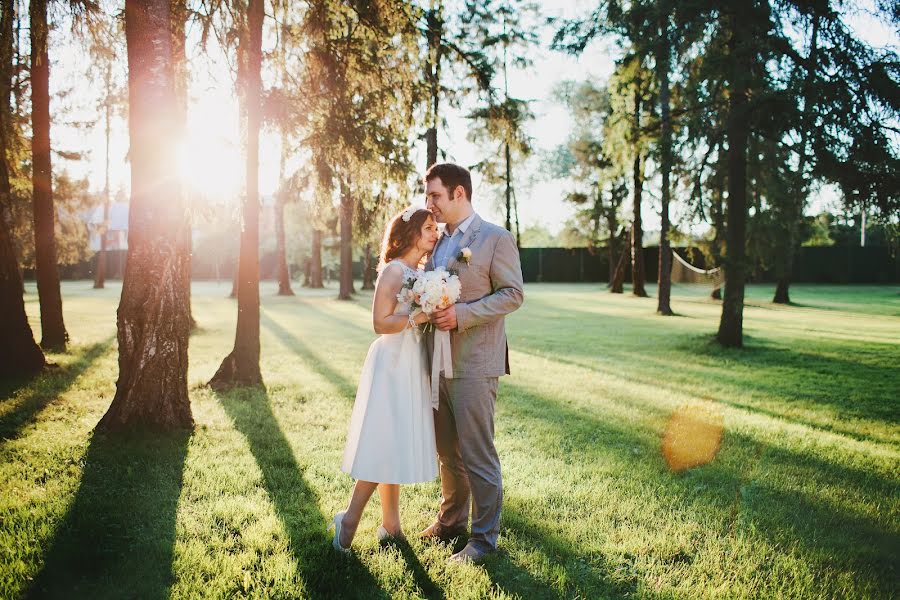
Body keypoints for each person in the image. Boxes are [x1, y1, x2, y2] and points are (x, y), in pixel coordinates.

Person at [421, 163, 525, 563]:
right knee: (447, 451)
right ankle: (451, 522)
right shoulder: (440, 241)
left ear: (459, 193)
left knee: (477, 453)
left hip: (476, 363)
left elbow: (512, 294)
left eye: (435, 196)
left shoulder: (496, 238)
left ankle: (483, 540)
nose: (429, 203)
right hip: (439, 362)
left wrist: (462, 314)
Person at [332, 207, 441, 552]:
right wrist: (420, 314)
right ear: (410, 234)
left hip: (411, 360)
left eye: (435, 228)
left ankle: (391, 526)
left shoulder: (421, 271)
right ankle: (349, 519)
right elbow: (380, 323)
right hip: (391, 361)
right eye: (428, 228)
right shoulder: (394, 271)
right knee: (384, 441)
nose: (434, 234)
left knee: (393, 442)